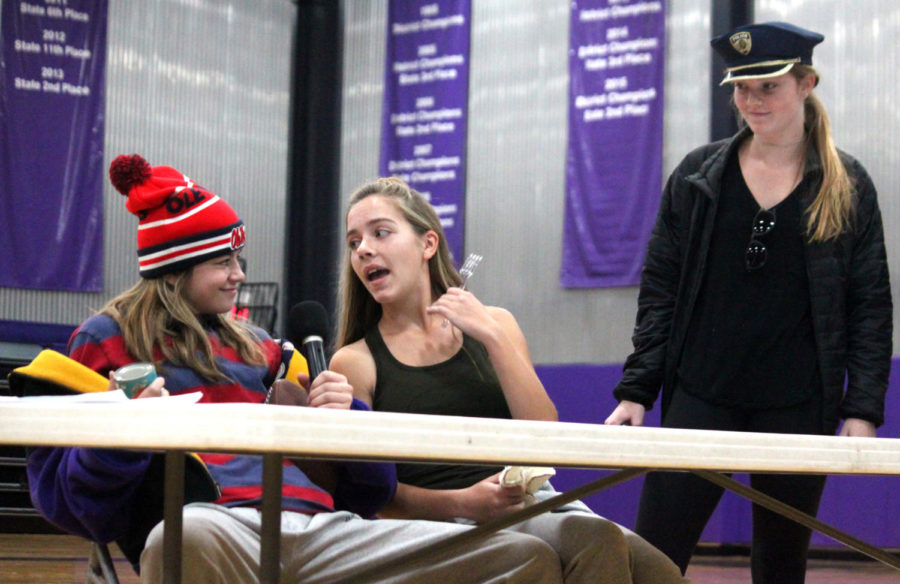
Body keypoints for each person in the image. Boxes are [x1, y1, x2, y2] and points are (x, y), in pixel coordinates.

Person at [26, 154, 568, 583]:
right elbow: (76, 509)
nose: (240, 276)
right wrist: (123, 440)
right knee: (181, 538)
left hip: (327, 527)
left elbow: (368, 493)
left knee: (524, 557)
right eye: (224, 262)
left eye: (239, 261)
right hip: (213, 522)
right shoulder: (106, 342)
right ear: (175, 268)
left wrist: (344, 417)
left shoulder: (263, 349)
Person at [604, 22, 892, 582]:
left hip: (798, 404)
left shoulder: (847, 184)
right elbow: (660, 287)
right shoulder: (696, 175)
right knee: (653, 552)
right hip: (700, 393)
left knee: (781, 562)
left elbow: (870, 304)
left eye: (768, 87)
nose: (751, 101)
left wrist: (862, 409)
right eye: (741, 87)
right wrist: (637, 388)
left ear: (807, 83)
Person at [329, 177, 687, 584]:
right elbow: (370, 493)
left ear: (427, 245)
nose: (364, 250)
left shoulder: (495, 324)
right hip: (439, 521)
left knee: (661, 572)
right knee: (596, 540)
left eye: (380, 232)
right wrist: (463, 502)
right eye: (354, 242)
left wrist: (494, 337)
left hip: (532, 504)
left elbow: (543, 437)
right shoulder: (355, 361)